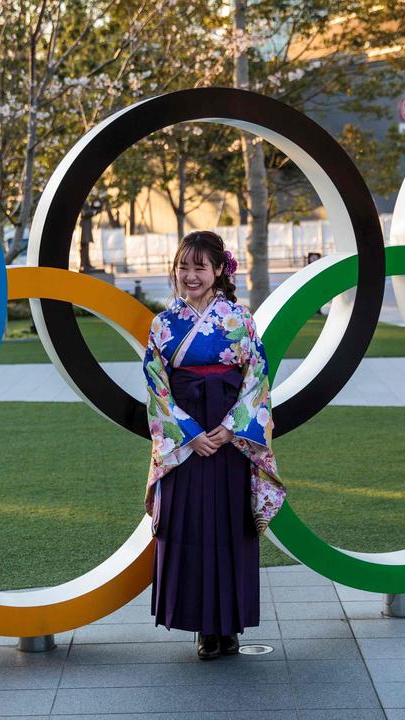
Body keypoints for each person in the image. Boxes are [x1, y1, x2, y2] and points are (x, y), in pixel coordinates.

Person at [142, 230, 286, 661]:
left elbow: (257, 377)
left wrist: (232, 428)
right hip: (187, 441)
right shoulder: (163, 324)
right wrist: (188, 433)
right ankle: (205, 629)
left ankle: (231, 626)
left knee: (230, 528)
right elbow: (156, 385)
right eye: (183, 267)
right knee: (191, 531)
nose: (190, 276)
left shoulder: (240, 319)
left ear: (219, 270)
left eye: (199, 268)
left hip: (231, 438)